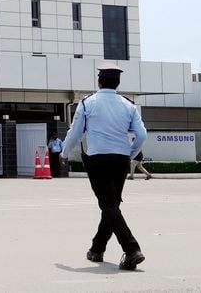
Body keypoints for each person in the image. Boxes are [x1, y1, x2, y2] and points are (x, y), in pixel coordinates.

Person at [60, 63, 148, 271]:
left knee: (108, 205)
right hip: (120, 160)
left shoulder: (87, 103)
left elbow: (75, 133)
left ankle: (132, 249)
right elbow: (142, 135)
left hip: (98, 159)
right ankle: (97, 248)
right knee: (112, 205)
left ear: (99, 81)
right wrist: (131, 154)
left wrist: (64, 153)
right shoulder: (129, 105)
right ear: (117, 83)